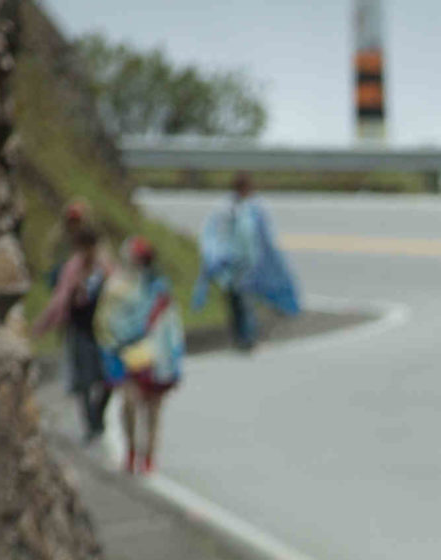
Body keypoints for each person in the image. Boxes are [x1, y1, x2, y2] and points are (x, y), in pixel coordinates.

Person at [93, 236, 184, 477]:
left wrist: (173, 359)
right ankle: (132, 450)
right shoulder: (117, 285)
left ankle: (149, 457)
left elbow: (170, 326)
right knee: (130, 404)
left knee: (153, 409)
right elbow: (107, 321)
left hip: (156, 356)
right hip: (127, 353)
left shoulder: (159, 288)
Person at [195, 172, 301, 353]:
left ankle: (246, 338)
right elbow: (218, 237)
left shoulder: (251, 208)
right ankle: (243, 338)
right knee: (237, 302)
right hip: (234, 264)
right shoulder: (230, 209)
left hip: (243, 265)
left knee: (242, 302)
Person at [32, 201, 109, 443]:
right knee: (83, 378)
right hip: (79, 326)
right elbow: (60, 297)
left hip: (104, 329)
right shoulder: (68, 261)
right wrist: (44, 325)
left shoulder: (105, 265)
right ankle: (91, 423)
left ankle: (98, 414)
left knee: (108, 376)